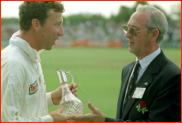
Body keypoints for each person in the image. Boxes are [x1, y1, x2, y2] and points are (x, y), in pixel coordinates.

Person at [72, 4, 181, 122]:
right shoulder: (128, 70)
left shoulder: (172, 77)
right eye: (126, 28)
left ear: (154, 34)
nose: (127, 34)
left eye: (134, 30)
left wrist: (105, 121)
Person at [1, 1, 77, 122]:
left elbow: (21, 104)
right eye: (57, 25)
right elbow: (6, 120)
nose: (61, 32)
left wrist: (50, 98)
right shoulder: (14, 64)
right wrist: (50, 120)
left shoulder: (30, 54)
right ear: (36, 24)